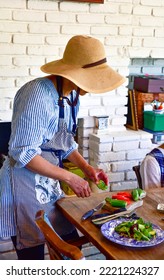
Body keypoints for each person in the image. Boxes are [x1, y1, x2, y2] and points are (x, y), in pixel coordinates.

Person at [0, 35, 126, 260]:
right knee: (33, 255)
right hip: (24, 183)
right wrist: (70, 178)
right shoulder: (37, 94)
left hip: (48, 182)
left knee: (66, 240)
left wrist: (86, 168)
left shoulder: (70, 95)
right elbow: (23, 152)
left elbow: (64, 142)